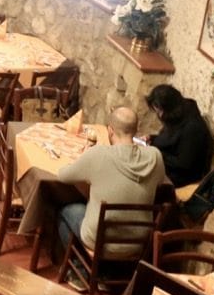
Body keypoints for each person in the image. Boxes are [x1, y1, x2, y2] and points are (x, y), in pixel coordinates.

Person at [53, 107, 165, 260]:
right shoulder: (155, 156)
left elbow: (63, 176)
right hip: (138, 241)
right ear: (136, 129)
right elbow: (159, 182)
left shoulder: (98, 154)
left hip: (100, 241)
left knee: (66, 210)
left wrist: (84, 160)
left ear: (110, 130)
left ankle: (80, 270)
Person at [145, 84, 214, 186]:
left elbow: (184, 164)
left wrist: (155, 152)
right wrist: (151, 139)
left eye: (160, 111)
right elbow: (170, 139)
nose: (159, 115)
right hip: (169, 165)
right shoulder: (176, 118)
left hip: (183, 176)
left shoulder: (192, 128)